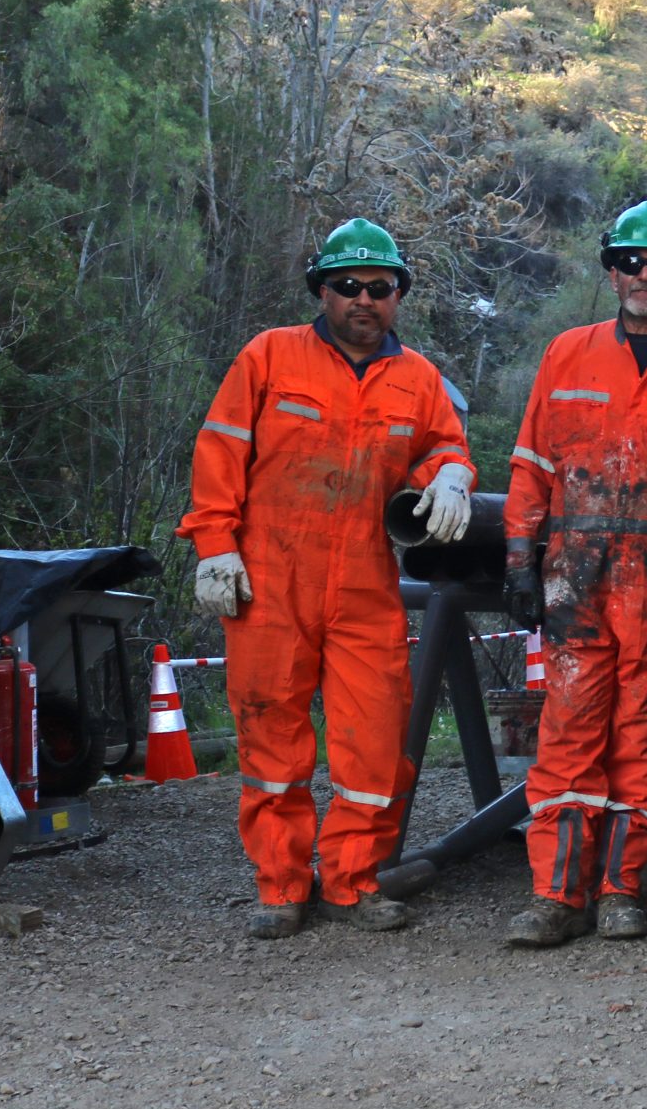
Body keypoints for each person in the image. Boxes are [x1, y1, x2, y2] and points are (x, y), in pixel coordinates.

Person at [179, 218, 476, 940]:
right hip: (270, 581)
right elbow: (220, 450)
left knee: (373, 741)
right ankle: (282, 884)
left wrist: (453, 477)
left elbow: (444, 443)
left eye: (380, 288)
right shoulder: (270, 357)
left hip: (364, 585)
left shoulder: (418, 378)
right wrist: (214, 544)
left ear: (398, 295)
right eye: (348, 287)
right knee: (271, 738)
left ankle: (356, 880)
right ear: (322, 290)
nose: (364, 300)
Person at [500, 202, 647, 948]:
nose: (644, 275)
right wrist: (518, 559)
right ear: (611, 269)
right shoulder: (567, 353)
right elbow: (532, 463)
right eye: (631, 261)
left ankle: (621, 887)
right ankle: (554, 894)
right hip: (576, 582)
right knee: (566, 732)